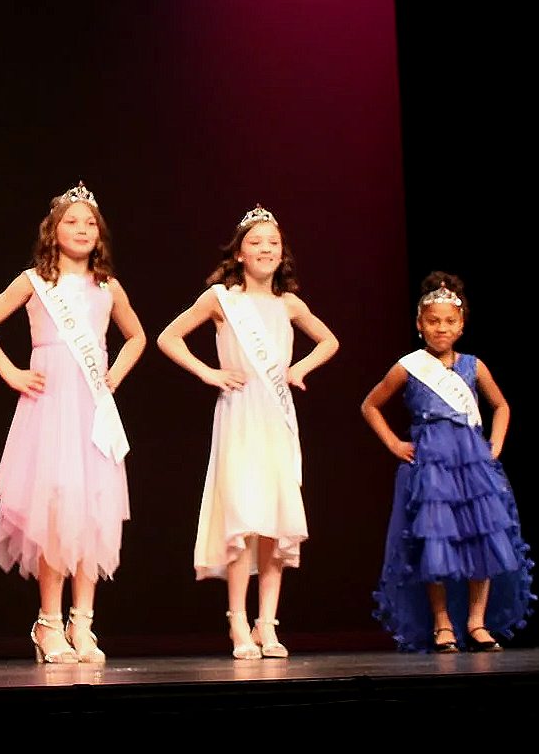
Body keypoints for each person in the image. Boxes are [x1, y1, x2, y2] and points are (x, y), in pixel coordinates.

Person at [0, 183, 146, 664]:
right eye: (72, 221)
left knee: (92, 509)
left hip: (91, 407)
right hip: (49, 410)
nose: (83, 229)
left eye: (90, 223)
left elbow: (136, 336)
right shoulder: (33, 280)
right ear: (53, 230)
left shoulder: (108, 287)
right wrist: (12, 372)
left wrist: (114, 375)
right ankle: (48, 624)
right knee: (54, 510)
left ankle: (83, 624)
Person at [156, 206, 338, 659]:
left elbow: (329, 341)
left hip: (277, 415)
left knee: (275, 520)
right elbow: (168, 337)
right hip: (239, 414)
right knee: (244, 517)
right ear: (239, 252)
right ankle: (237, 621)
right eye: (256, 242)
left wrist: (300, 368)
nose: (266, 249)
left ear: (283, 253)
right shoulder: (222, 298)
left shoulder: (288, 303)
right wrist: (208, 372)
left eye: (273, 243)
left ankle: (268, 625)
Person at [362, 271, 533, 652]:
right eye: (433, 321)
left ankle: (476, 623)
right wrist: (393, 443)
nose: (442, 328)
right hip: (432, 466)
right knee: (435, 542)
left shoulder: (474, 366)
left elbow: (501, 406)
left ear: (461, 325)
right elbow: (370, 405)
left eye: (450, 321)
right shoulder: (408, 367)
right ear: (420, 325)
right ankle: (442, 625)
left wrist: (496, 444)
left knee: (482, 535)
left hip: (472, 463)